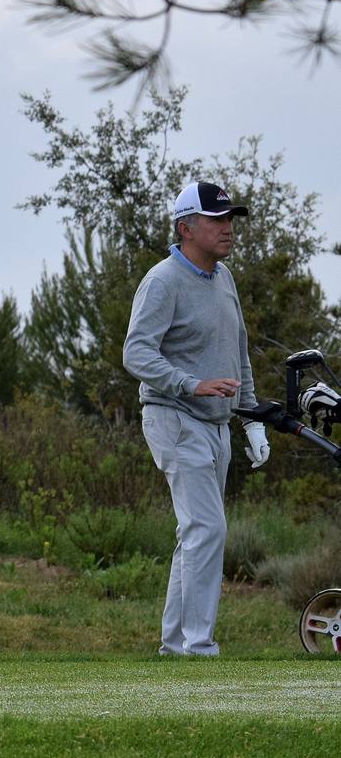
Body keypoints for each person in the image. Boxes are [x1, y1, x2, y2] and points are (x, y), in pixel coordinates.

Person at [122, 181, 270, 657]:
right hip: (174, 416)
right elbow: (136, 353)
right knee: (208, 528)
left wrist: (251, 419)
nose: (228, 229)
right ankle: (198, 646)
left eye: (230, 219)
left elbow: (238, 354)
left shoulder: (225, 279)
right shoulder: (163, 280)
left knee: (195, 534)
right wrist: (191, 383)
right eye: (217, 220)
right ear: (186, 228)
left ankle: (174, 646)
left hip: (217, 424)